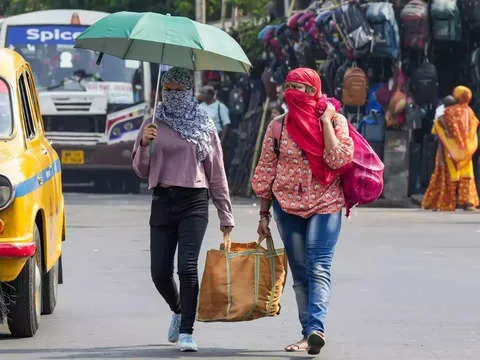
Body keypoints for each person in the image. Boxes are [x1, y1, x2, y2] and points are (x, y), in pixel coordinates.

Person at [251, 68, 354, 355]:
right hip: (287, 207)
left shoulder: (335, 121)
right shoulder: (278, 126)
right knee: (299, 273)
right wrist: (263, 215)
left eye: (299, 87)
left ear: (313, 92)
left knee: (319, 265)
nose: (292, 93)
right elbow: (266, 170)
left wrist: (324, 123)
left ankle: (315, 329)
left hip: (326, 203)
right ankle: (307, 331)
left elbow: (339, 159)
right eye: (289, 86)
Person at [132, 67, 234, 352]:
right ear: (160, 92)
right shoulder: (152, 123)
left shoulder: (204, 125)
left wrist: (226, 214)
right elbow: (140, 170)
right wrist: (143, 143)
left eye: (179, 90)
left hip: (194, 202)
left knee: (187, 267)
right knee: (159, 273)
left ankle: (187, 331)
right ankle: (178, 309)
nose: (173, 96)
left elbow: (217, 172)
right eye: (169, 90)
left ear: (189, 92)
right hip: (163, 200)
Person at [422, 86, 480, 211]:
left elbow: (437, 128)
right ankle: (468, 203)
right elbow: (473, 130)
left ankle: (446, 202)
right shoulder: (470, 113)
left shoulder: (448, 112)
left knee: (447, 176)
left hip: (449, 151)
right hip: (467, 151)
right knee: (467, 176)